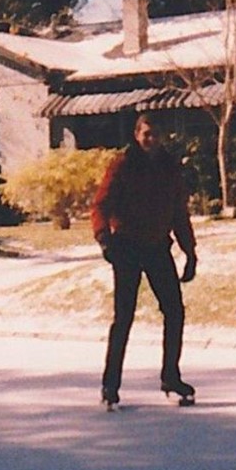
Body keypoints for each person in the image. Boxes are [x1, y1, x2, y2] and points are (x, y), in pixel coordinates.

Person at [91, 112, 198, 410]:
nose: (151, 140)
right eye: (146, 134)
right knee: (123, 318)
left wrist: (189, 252)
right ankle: (110, 386)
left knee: (174, 311)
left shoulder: (169, 167)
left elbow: (179, 212)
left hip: (157, 249)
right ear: (137, 134)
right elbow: (101, 204)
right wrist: (104, 238)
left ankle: (171, 377)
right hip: (126, 247)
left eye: (156, 134)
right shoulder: (123, 164)